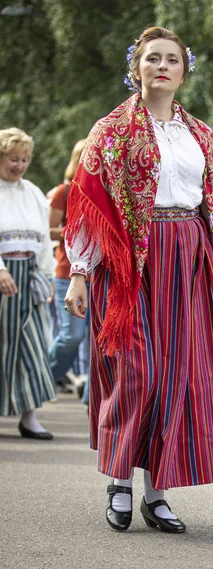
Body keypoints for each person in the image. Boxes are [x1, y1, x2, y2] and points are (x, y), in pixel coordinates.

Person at [63, 26, 213, 534]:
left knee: (176, 376)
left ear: (183, 71)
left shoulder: (200, 134)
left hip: (188, 256)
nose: (162, 66)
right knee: (135, 372)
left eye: (172, 59)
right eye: (152, 58)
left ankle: (158, 492)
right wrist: (79, 274)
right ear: (137, 68)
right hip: (131, 262)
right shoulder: (109, 131)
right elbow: (89, 206)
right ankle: (119, 483)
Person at [0, 127, 55, 440]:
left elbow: (45, 239)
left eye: (23, 159)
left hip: (28, 277)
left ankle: (29, 416)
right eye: (12, 159)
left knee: (31, 346)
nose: (18, 165)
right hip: (4, 274)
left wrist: (45, 276)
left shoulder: (32, 192)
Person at [47, 139, 89, 395]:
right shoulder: (64, 190)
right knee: (72, 335)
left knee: (97, 341)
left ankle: (89, 397)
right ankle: (44, 376)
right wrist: (80, 232)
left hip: (99, 275)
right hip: (67, 271)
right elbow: (49, 230)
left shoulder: (103, 189)